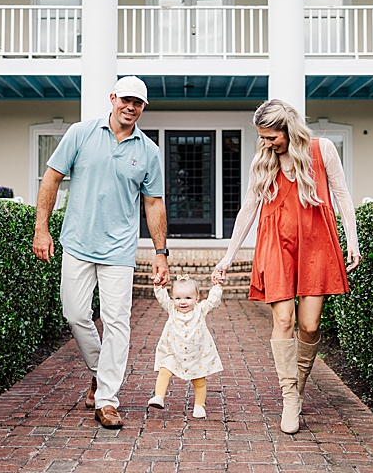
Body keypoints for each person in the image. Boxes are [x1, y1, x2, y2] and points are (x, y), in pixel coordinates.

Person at [212, 99, 360, 434]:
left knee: (309, 326)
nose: (266, 143)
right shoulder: (263, 162)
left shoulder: (322, 151)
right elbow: (248, 209)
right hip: (276, 244)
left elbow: (343, 195)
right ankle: (289, 396)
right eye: (262, 138)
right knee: (283, 319)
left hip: (316, 244)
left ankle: (299, 383)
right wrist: (227, 256)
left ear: (288, 129)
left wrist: (351, 239)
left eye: (271, 137)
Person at [33, 75, 170, 429]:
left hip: (119, 251)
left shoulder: (148, 151)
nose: (131, 107)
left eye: (138, 103)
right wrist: (41, 228)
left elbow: (154, 203)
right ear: (112, 98)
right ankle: (99, 371)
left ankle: (107, 398)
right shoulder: (81, 133)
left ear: (143, 108)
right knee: (75, 315)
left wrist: (160, 251)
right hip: (77, 242)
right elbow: (51, 178)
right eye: (125, 99)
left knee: (117, 323)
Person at [148, 274, 224, 419]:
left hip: (198, 354)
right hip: (174, 351)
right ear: (173, 299)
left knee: (199, 381)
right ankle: (159, 396)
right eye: (178, 298)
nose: (183, 302)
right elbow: (162, 297)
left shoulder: (200, 310)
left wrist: (217, 286)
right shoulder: (172, 309)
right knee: (164, 370)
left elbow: (213, 301)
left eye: (188, 298)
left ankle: (199, 405)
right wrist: (158, 286)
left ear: (197, 299)